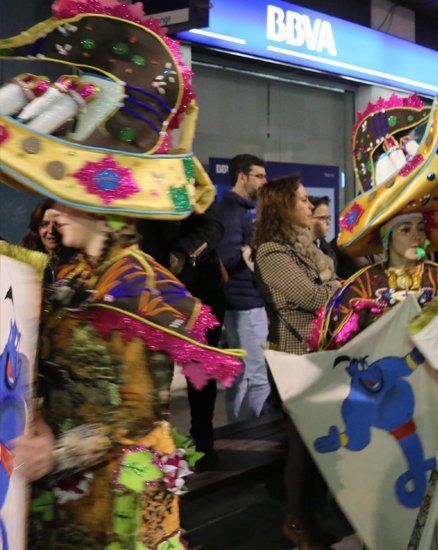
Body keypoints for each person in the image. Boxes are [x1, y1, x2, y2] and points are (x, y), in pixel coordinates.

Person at [3, 4, 243, 545]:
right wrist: (36, 419)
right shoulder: (68, 272)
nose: (53, 211)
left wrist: (56, 450)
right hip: (59, 487)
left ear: (105, 209)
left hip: (121, 490)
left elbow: (137, 418)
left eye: (66, 199)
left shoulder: (142, 288)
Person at [312, 95, 438, 350]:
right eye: (405, 229)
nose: (416, 236)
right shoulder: (363, 284)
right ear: (387, 236)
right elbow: (334, 349)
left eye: (420, 228)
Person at [252, 176, 340, 548]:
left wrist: (332, 287)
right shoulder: (271, 252)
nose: (309, 206)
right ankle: (296, 519)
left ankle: (311, 516)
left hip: (319, 353)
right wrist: (336, 288)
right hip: (294, 357)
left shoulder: (307, 248)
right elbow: (313, 296)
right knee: (301, 444)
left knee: (318, 440)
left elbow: (330, 286)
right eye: (302, 200)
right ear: (282, 207)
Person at [138, 205, 228, 469]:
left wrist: (182, 252)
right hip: (153, 294)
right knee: (154, 374)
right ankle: (154, 446)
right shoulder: (137, 183)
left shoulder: (186, 181)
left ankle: (203, 442)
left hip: (199, 294)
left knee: (199, 373)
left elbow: (214, 226)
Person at [217, 153, 270, 422]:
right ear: (242, 177)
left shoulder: (239, 209)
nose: (264, 182)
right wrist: (256, 251)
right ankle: (252, 436)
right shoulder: (229, 211)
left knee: (243, 375)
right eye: (259, 176)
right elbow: (229, 259)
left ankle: (238, 432)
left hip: (245, 303)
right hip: (244, 304)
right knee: (257, 377)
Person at [308, 195, 337, 268]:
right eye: (324, 218)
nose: (328, 223)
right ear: (308, 218)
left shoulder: (329, 250)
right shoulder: (298, 250)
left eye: (329, 218)